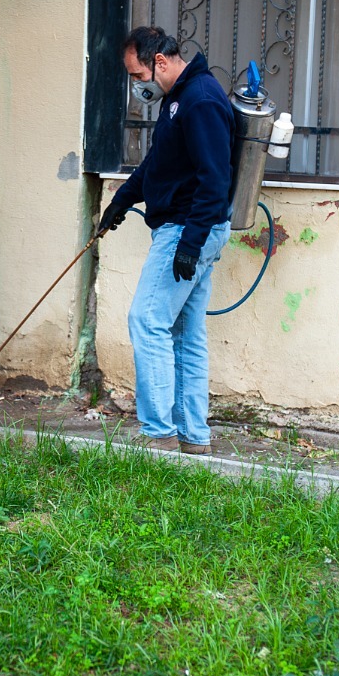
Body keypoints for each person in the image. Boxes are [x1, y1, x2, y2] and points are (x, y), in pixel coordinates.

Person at [98, 26, 233, 455]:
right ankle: (193, 438)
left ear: (159, 61)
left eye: (138, 75)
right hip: (189, 227)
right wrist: (121, 201)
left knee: (147, 320)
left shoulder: (200, 99)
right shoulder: (178, 98)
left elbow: (216, 180)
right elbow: (158, 163)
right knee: (185, 333)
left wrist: (190, 244)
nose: (138, 85)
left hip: (187, 228)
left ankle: (158, 434)